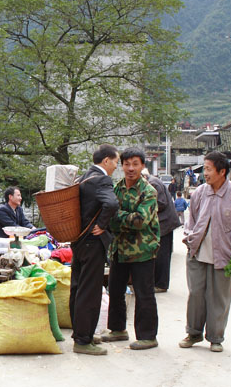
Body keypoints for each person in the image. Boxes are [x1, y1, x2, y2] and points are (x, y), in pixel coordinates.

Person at [179, 151, 231, 353]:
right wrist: (189, 237)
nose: (205, 173)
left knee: (219, 298)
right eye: (204, 169)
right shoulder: (200, 193)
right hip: (197, 254)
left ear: (222, 171)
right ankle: (193, 333)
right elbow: (190, 219)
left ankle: (216, 337)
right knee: (195, 295)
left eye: (209, 169)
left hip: (225, 257)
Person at [103, 147, 160, 350]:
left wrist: (117, 218)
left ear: (142, 166)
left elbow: (140, 221)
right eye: (126, 164)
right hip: (119, 249)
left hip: (142, 251)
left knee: (144, 293)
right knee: (115, 290)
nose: (130, 168)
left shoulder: (149, 192)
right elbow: (108, 216)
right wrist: (122, 218)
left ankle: (148, 336)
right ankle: (118, 329)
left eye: (135, 164)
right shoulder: (117, 188)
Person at [70, 144, 119, 356]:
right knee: (90, 292)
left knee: (77, 287)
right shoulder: (102, 179)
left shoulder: (83, 177)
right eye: (116, 161)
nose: (116, 166)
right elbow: (112, 203)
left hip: (79, 241)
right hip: (93, 242)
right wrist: (102, 224)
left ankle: (82, 334)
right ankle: (83, 341)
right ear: (106, 161)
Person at [142, 169, 179, 293]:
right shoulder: (152, 182)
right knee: (160, 254)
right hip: (162, 224)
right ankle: (158, 282)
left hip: (165, 224)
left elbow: (161, 203)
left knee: (162, 255)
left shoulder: (153, 184)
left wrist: (143, 207)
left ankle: (161, 284)